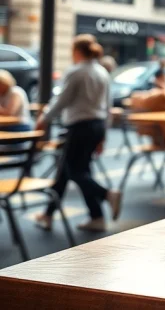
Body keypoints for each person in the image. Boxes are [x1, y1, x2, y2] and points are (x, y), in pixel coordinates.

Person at [34, 34, 121, 233]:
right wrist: (104, 135)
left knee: (75, 171)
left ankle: (107, 194)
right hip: (97, 125)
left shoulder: (76, 72)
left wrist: (44, 118)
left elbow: (61, 100)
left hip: (79, 127)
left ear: (76, 51)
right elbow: (108, 106)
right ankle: (92, 216)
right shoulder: (101, 72)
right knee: (68, 171)